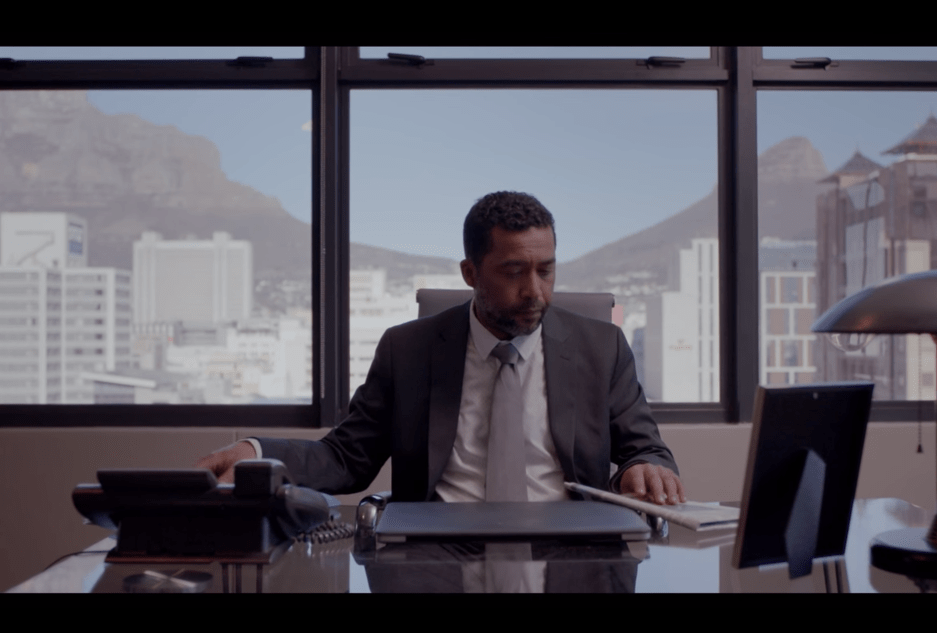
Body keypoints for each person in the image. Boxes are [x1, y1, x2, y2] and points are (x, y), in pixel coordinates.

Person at [198, 191, 684, 505]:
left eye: (546, 270)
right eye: (514, 272)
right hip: (437, 551)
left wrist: (647, 467)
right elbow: (346, 458)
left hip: (571, 550)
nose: (535, 291)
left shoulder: (602, 347)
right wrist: (257, 451)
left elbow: (646, 449)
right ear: (470, 273)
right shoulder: (407, 350)